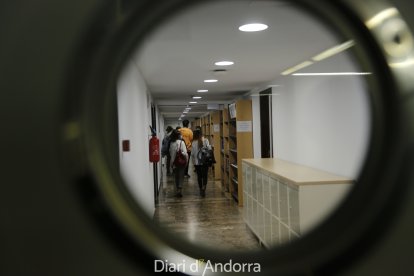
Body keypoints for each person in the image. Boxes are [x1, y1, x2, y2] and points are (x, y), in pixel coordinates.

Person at [191, 129, 211, 197]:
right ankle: (204, 187)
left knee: (199, 176)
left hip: (197, 163)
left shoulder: (193, 142)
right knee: (205, 175)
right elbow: (209, 149)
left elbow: (192, 154)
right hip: (204, 161)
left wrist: (193, 162)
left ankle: (200, 189)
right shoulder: (206, 140)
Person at [169, 129, 188, 197]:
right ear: (179, 135)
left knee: (176, 176)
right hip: (181, 162)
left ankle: (177, 189)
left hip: (174, 162)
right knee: (181, 176)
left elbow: (171, 154)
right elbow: (185, 153)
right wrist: (186, 161)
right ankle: (180, 189)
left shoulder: (171, 143)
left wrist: (171, 164)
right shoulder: (181, 142)